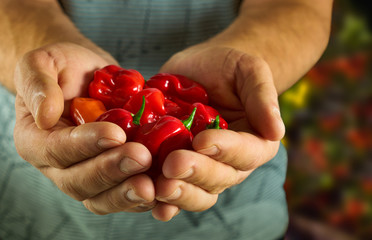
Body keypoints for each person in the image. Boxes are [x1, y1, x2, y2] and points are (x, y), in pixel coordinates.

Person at [0, 0, 333, 239]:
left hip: (238, 217)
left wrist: (246, 64)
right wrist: (43, 60)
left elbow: (302, 6)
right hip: (28, 203)